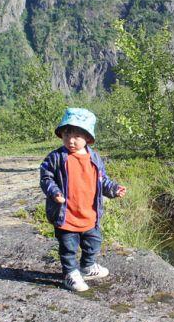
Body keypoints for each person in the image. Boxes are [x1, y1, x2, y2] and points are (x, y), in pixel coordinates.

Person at [39, 108, 126, 291]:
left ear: (87, 137)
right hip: (67, 215)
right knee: (68, 247)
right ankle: (70, 273)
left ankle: (87, 266)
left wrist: (114, 189)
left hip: (89, 214)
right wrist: (54, 192)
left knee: (93, 242)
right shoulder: (56, 157)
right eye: (67, 134)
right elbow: (46, 177)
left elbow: (102, 180)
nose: (71, 140)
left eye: (77, 136)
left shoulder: (94, 157)